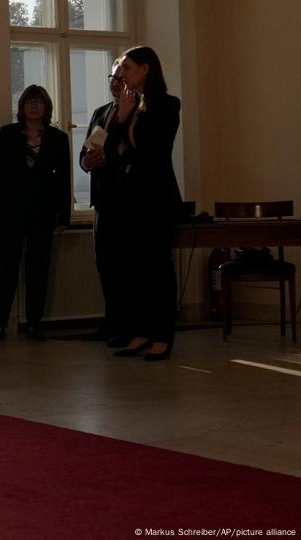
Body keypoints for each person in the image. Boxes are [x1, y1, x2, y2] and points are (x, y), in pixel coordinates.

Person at [0, 84, 71, 343]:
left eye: (39, 101)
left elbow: (63, 180)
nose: (34, 105)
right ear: (22, 106)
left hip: (43, 212)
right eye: (29, 101)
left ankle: (34, 324)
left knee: (38, 268)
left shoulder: (58, 138)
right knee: (7, 265)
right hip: (11, 211)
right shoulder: (8, 134)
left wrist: (63, 216)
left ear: (46, 107)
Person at [105, 46, 181, 362]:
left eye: (127, 67)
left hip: (157, 197)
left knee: (157, 267)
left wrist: (127, 151)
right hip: (128, 196)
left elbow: (155, 152)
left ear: (146, 68)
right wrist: (122, 118)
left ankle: (163, 336)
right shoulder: (127, 105)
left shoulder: (167, 104)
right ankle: (139, 332)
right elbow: (110, 148)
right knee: (132, 268)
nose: (122, 74)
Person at [80, 60, 129, 348]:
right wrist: (87, 162)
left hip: (126, 198)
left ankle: (128, 323)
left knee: (126, 265)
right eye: (112, 77)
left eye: (121, 77)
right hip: (103, 200)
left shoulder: (136, 112)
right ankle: (112, 321)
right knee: (106, 263)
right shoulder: (101, 112)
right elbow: (85, 152)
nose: (115, 82)